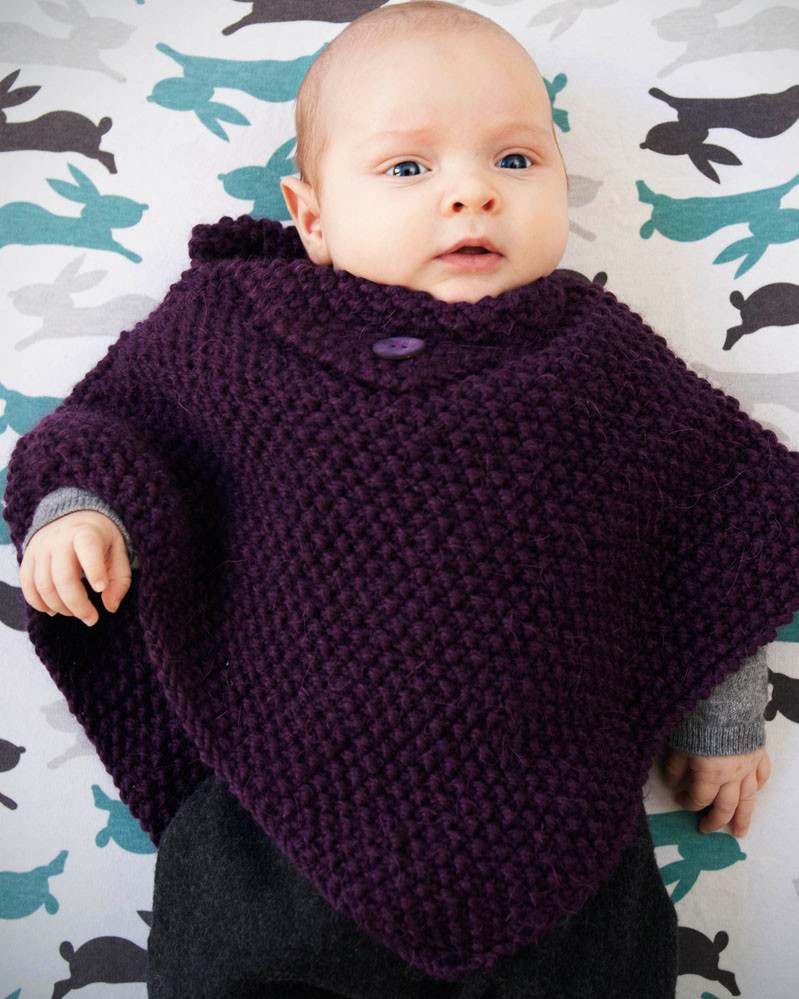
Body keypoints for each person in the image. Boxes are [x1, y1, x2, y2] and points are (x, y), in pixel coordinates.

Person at [6, 3, 778, 997]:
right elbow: (110, 430)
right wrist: (78, 510)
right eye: (409, 167)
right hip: (270, 830)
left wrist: (723, 716)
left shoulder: (594, 358)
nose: (471, 193)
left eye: (515, 160)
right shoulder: (230, 332)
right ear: (313, 216)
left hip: (562, 835)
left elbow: (719, 524)